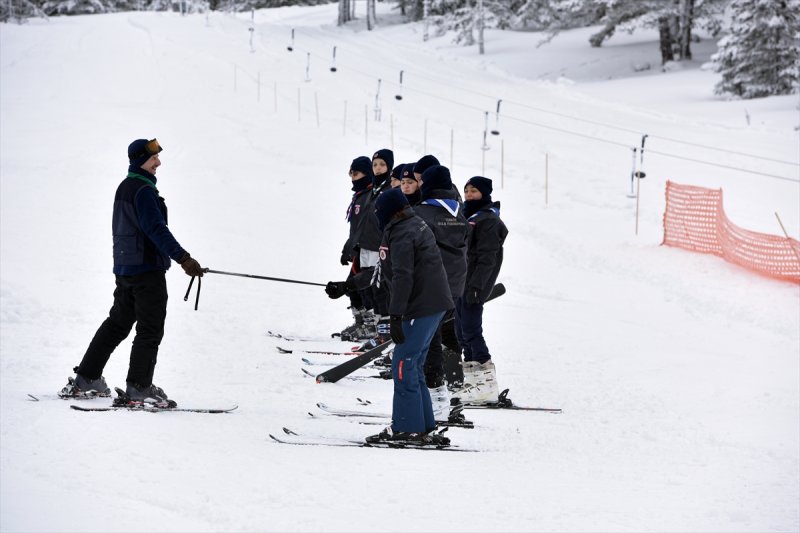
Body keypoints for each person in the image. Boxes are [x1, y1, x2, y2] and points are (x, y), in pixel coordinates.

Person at [59, 138, 204, 407]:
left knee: (117, 324)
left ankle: (87, 378)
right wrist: (184, 258)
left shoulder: (126, 187)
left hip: (126, 270)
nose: (158, 163)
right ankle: (139, 387)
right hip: (147, 271)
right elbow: (155, 229)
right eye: (153, 159)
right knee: (149, 330)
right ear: (140, 161)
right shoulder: (143, 191)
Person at [365, 188, 454, 445]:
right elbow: (386, 271)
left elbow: (404, 276)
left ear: (389, 211)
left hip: (421, 307)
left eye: (379, 211)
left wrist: (395, 315)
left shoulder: (403, 232)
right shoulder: (408, 225)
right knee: (413, 364)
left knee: (403, 364)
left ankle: (407, 429)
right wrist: (348, 285)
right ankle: (422, 425)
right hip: (430, 304)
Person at [413, 165, 468, 416]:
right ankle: (440, 397)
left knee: (428, 343)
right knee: (437, 338)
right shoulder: (458, 213)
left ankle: (436, 398)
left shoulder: (423, 212)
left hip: (431, 286)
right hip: (454, 286)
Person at [454, 176, 508, 405]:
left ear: (484, 194)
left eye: (474, 191)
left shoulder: (488, 220)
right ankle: (473, 382)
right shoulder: (469, 216)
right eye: (466, 190)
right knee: (461, 332)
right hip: (461, 282)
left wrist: (477, 285)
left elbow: (487, 258)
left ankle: (486, 385)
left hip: (474, 284)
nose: (468, 195)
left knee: (471, 331)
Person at [336, 156, 377, 341]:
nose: (353, 177)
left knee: (362, 286)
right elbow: (355, 228)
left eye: (357, 173)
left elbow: (366, 229)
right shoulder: (359, 196)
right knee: (353, 287)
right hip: (358, 249)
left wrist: (358, 247)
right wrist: (348, 249)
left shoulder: (371, 196)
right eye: (351, 173)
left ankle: (371, 325)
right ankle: (361, 322)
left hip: (368, 250)